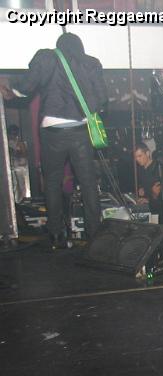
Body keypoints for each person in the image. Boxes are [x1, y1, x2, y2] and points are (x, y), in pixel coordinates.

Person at [1, 32, 107, 245]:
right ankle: (94, 233)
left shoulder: (47, 58)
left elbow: (25, 87)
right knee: (87, 183)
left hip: (52, 131)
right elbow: (102, 98)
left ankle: (56, 233)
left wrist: (12, 91)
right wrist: (85, 111)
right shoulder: (91, 63)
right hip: (80, 130)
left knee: (52, 182)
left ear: (58, 46)